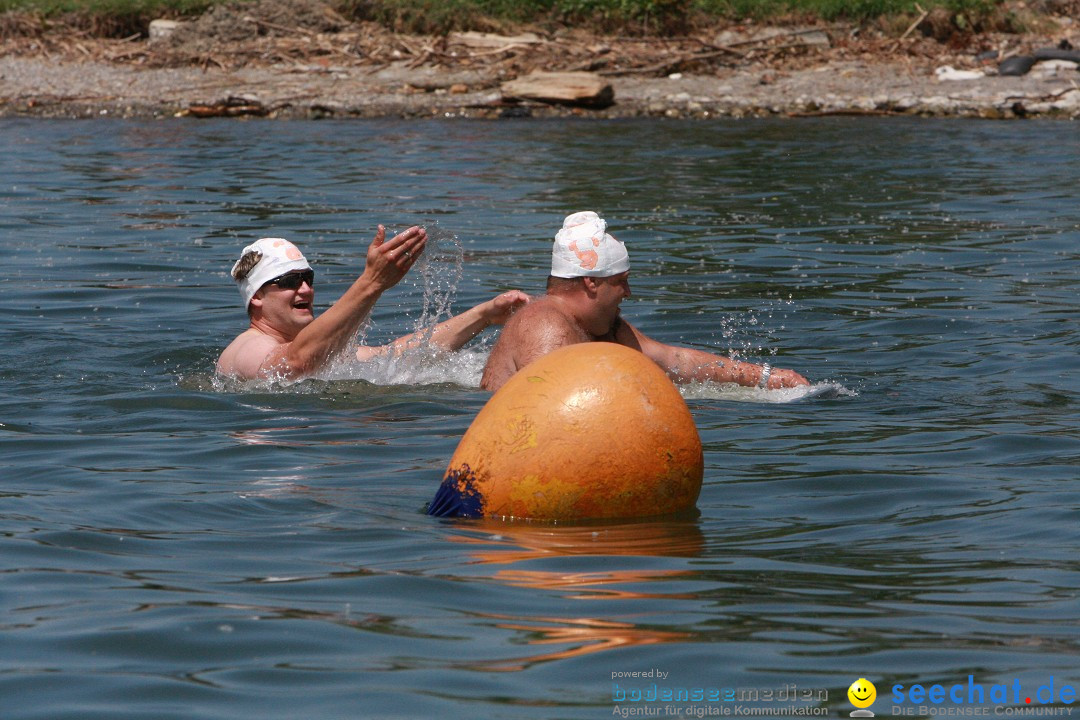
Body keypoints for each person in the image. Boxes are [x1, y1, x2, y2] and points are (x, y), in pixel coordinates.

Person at [480, 211, 809, 392]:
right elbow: (548, 402)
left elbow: (673, 360)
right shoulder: (544, 325)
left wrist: (769, 378)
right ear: (591, 282)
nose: (629, 293)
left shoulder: (603, 328)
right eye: (621, 282)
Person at [218, 226, 528, 381]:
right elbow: (294, 365)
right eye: (288, 282)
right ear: (256, 296)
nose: (304, 290)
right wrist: (372, 282)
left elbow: (402, 356)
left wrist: (484, 315)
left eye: (307, 279)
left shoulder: (315, 347)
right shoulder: (247, 349)